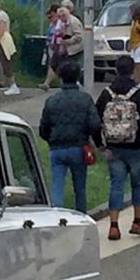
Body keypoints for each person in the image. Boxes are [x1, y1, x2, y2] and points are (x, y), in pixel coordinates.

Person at [96, 55, 140, 242]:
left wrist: (99, 142)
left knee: (116, 184)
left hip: (114, 146)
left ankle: (114, 226)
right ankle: (137, 221)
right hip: (136, 145)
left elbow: (95, 116)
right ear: (133, 71)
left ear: (116, 70)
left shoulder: (107, 93)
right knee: (138, 183)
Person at [38, 60, 101, 213]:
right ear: (78, 77)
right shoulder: (85, 99)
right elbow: (94, 124)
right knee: (80, 187)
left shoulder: (52, 100)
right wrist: (93, 141)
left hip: (57, 148)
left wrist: (51, 139)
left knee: (56, 185)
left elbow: (43, 128)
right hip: (79, 147)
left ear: (60, 78)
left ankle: (56, 215)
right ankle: (80, 216)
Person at [39, 4, 63, 90]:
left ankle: (47, 83)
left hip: (57, 46)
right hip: (51, 45)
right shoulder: (52, 23)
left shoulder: (60, 22)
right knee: (54, 65)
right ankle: (50, 83)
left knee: (55, 65)